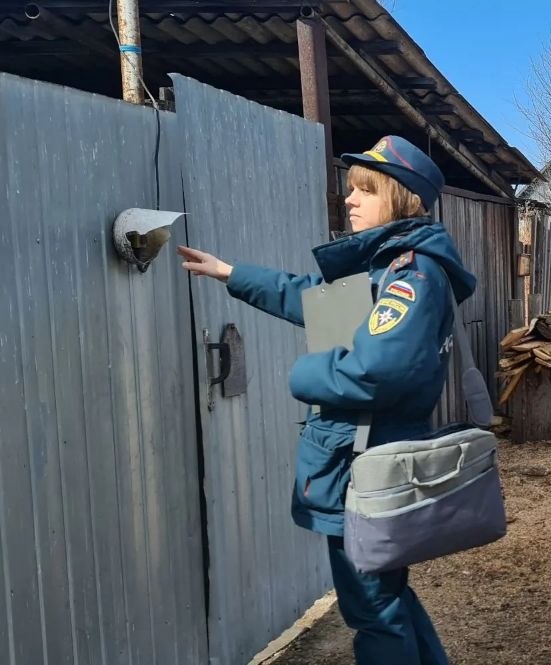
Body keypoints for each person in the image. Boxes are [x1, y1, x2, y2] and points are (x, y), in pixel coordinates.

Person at [179, 136, 474, 665]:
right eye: (349, 190)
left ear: (402, 198)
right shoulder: (391, 267)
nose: (349, 200)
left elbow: (377, 370)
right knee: (387, 596)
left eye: (365, 190)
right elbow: (315, 300)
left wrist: (303, 374)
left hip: (365, 466)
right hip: (362, 458)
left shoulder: (410, 275)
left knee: (373, 610)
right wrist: (230, 273)